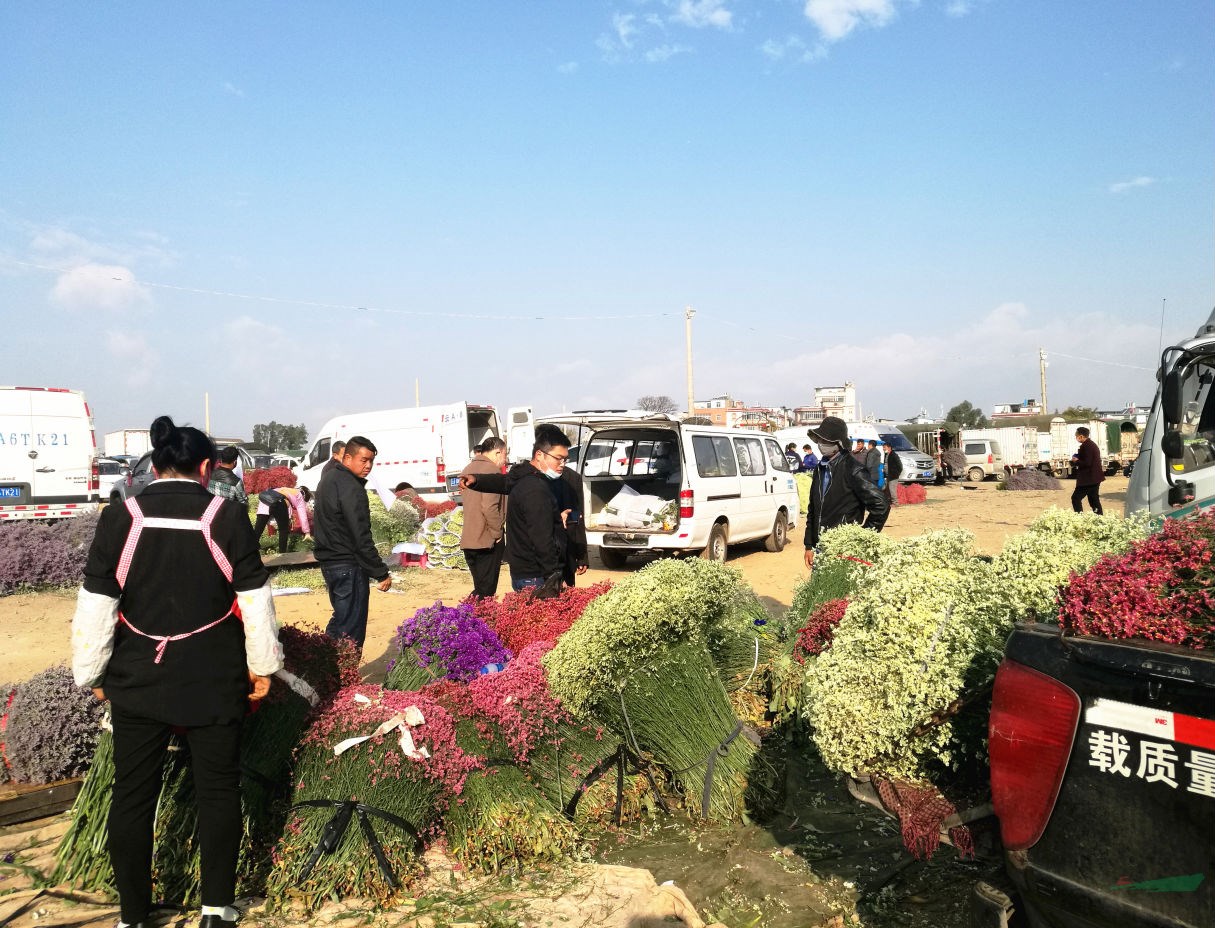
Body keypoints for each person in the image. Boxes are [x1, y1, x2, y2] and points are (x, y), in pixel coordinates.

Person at [70, 416, 283, 928]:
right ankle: (216, 907)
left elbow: (98, 601)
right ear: (206, 467)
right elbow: (254, 600)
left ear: (155, 463)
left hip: (138, 676)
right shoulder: (225, 516)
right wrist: (264, 667)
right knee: (217, 790)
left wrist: (92, 672)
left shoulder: (121, 516)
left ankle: (133, 916)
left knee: (132, 795)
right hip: (212, 675)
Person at [464, 428, 570, 593]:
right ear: (540, 455)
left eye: (565, 459)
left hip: (522, 572)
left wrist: (478, 480)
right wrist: (554, 575)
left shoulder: (524, 476)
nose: (562, 464)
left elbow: (504, 482)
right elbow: (542, 538)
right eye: (558, 458)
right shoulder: (536, 488)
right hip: (536, 574)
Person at [313, 436, 392, 648]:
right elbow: (360, 535)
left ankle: (327, 667)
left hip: (331, 561)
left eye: (371, 461)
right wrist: (380, 572)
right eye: (363, 460)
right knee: (350, 626)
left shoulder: (329, 479)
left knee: (342, 619)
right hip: (347, 564)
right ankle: (343, 675)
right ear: (347, 458)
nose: (368, 466)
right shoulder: (350, 487)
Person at [803, 417, 890, 571]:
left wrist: (861, 537)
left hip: (843, 549)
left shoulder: (853, 469)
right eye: (820, 440)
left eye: (827, 441)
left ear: (839, 444)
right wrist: (809, 545)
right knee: (821, 592)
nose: (822, 444)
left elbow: (881, 504)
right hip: (821, 547)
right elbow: (813, 510)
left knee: (840, 593)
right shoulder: (819, 469)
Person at [460, 438, 508, 597]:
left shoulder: (468, 468)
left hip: (469, 540)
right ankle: (468, 620)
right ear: (498, 452)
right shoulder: (492, 472)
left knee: (480, 590)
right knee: (486, 594)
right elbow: (489, 507)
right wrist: (497, 534)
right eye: (505, 455)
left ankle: (466, 619)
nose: (505, 460)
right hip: (487, 541)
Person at [254, 485, 312, 554]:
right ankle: (282, 555)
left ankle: (250, 552)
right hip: (278, 502)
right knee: (283, 530)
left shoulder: (284, 489)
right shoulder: (299, 495)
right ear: (304, 496)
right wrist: (307, 532)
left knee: (258, 531)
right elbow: (303, 515)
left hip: (264, 501)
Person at [1071, 426, 1105, 515]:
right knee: (1093, 499)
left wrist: (1076, 460)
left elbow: (1087, 463)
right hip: (1094, 477)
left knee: (1076, 498)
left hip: (1089, 479)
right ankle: (1100, 519)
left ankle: (1079, 518)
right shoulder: (1090, 444)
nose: (1076, 437)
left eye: (1076, 435)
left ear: (1081, 436)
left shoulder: (1087, 446)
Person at [882, 440, 902, 506]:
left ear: (889, 447)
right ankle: (889, 502)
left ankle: (895, 503)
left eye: (884, 447)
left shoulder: (894, 455)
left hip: (893, 476)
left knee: (892, 489)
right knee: (887, 489)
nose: (883, 449)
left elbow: (900, 466)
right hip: (888, 476)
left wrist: (896, 473)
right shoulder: (886, 454)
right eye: (883, 447)